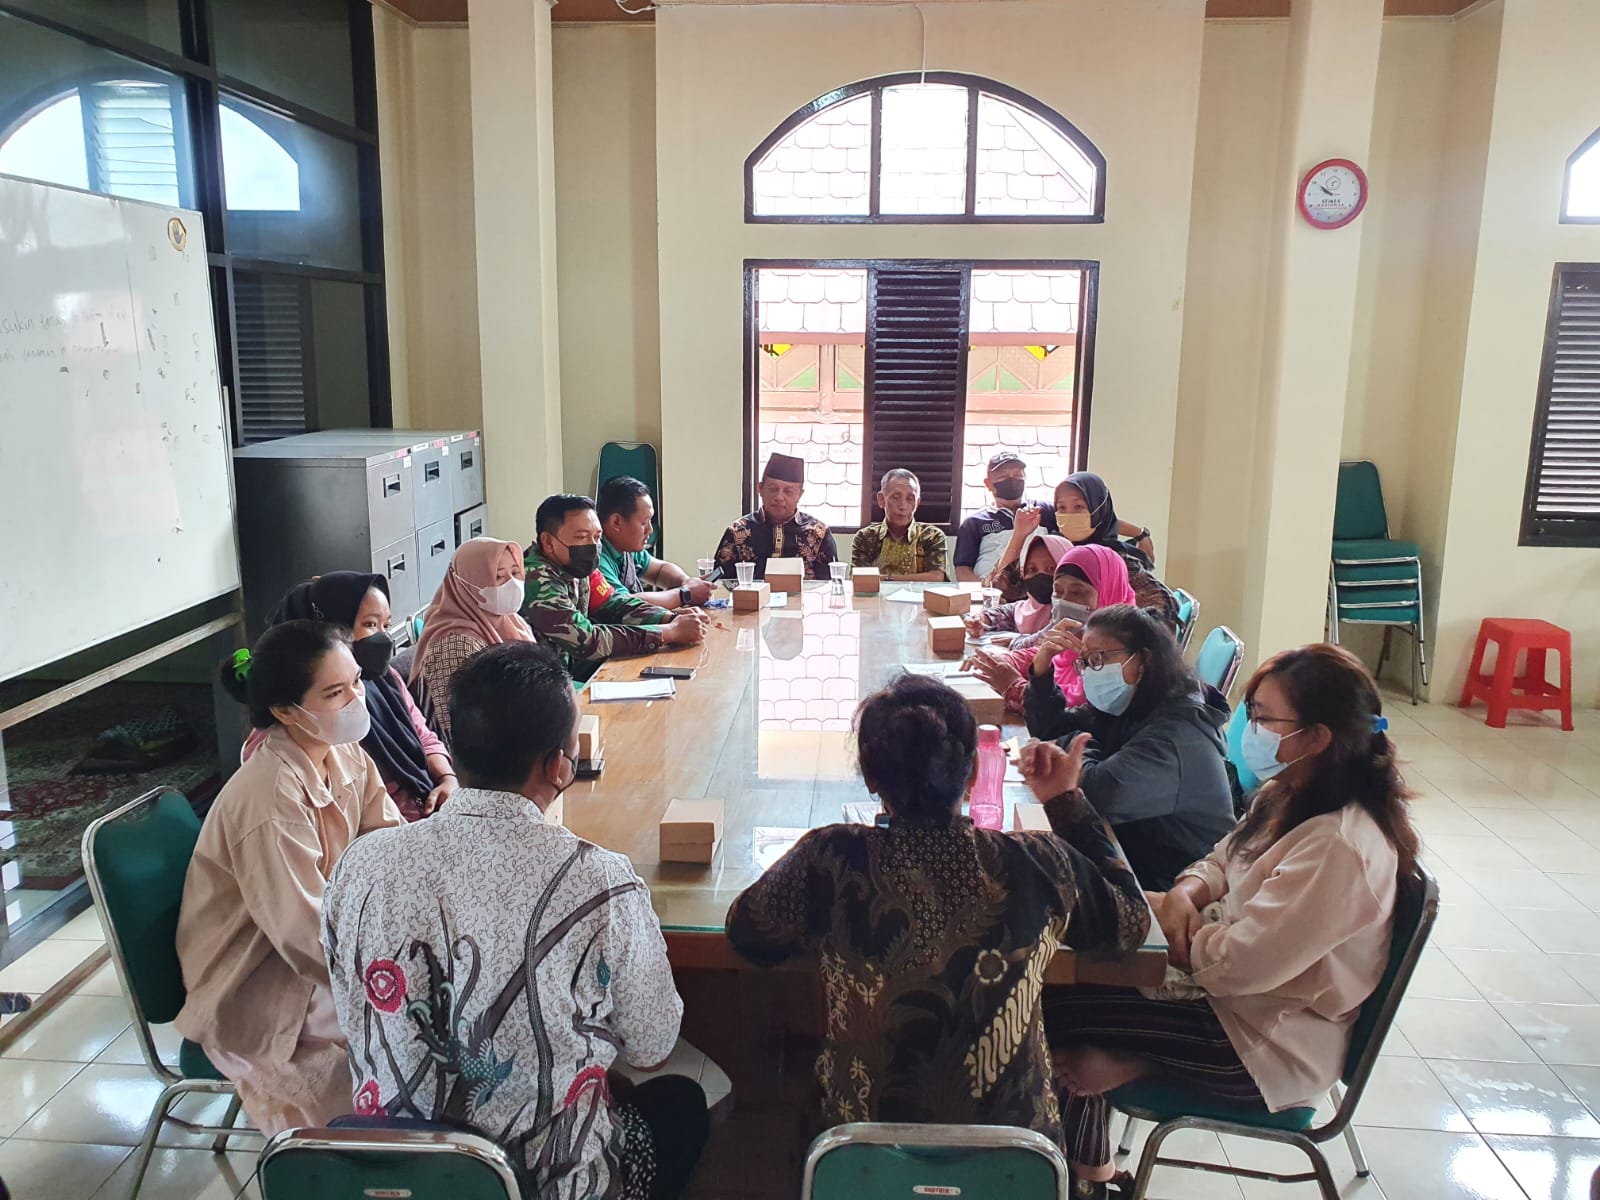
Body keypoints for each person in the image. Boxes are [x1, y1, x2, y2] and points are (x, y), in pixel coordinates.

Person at [322, 641, 707, 1200]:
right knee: (681, 1105)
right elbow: (652, 1043)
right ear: (558, 766)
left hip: (397, 1177)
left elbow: (351, 1006)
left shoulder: (362, 862)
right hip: (541, 1186)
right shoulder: (599, 881)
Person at [1042, 644, 1419, 1199]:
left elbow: (1239, 965)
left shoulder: (1340, 847)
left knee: (1048, 1002)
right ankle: (1095, 1163)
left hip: (1259, 1042)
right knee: (1068, 974)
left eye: (1265, 718)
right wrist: (1186, 893)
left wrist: (1177, 926)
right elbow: (1221, 858)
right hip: (1224, 995)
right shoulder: (1290, 791)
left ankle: (1102, 1139)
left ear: (1317, 737)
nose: (1252, 728)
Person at [724, 674, 1149, 1142]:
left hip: (858, 1152)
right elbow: (1129, 922)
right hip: (1012, 1157)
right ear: (971, 775)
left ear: (869, 777)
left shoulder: (831, 858)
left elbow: (748, 934)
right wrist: (1067, 803)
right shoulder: (1037, 861)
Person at [175, 620, 404, 1135]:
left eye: (355, 683)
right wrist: (389, 969)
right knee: (410, 1018)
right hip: (255, 977)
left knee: (431, 1002)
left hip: (313, 950)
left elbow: (391, 848)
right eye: (333, 692)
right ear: (283, 711)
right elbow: (304, 934)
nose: (354, 700)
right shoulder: (270, 797)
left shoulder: (346, 756)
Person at [1021, 605, 1237, 890]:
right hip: (1134, 852)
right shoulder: (1135, 702)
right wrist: (1042, 671)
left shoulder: (1177, 736)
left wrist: (1076, 745)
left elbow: (1096, 794)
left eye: (1099, 659)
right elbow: (1052, 729)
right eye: (1085, 661)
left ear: (1143, 660)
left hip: (1173, 887)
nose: (1090, 672)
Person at [252, 572, 455, 822]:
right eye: (370, 625)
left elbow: (422, 735)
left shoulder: (384, 679)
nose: (384, 638)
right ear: (334, 628)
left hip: (419, 809)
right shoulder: (292, 734)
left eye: (386, 626)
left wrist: (447, 778)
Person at [524, 493, 708, 681]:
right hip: (540, 688)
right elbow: (587, 640)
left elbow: (614, 605)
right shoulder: (536, 579)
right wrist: (668, 632)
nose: (593, 546)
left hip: (567, 673)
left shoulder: (575, 568)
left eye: (597, 537)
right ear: (548, 542)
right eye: (581, 537)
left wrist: (668, 618)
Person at [964, 543, 1137, 718]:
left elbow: (1068, 718)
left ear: (1109, 592)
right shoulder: (1071, 640)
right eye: (1058, 592)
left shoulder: (1120, 656)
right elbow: (1036, 654)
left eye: (1077, 593)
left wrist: (1014, 686)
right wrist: (998, 662)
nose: (1064, 602)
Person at [411, 537, 534, 745]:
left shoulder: (512, 621)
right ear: (469, 583)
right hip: (475, 760)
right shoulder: (456, 645)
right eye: (499, 577)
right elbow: (462, 731)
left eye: (515, 573)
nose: (512, 584)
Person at [1054, 472, 1177, 631]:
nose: (1069, 515)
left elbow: (1164, 606)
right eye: (1061, 508)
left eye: (1078, 507)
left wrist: (1118, 631)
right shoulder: (1062, 549)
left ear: (1098, 509)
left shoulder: (1114, 560)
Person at [713, 452, 838, 581]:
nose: (779, 497)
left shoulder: (819, 533)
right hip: (751, 601)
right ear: (760, 488)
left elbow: (829, 585)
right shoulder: (737, 531)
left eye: (788, 492)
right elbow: (720, 584)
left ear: (800, 494)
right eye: (773, 489)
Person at [597, 476, 715, 610]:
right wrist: (685, 594)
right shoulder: (596, 559)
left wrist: (686, 582)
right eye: (643, 523)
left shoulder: (624, 547)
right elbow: (624, 604)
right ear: (616, 522)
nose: (650, 530)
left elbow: (659, 570)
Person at [953, 452, 1059, 588]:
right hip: (991, 591)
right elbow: (962, 570)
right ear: (988, 484)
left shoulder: (1044, 511)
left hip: (1038, 589)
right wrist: (984, 591)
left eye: (1017, 475)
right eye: (1003, 476)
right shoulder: (974, 522)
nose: (1011, 480)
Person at [964, 531, 1073, 639]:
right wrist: (979, 620)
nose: (1041, 576)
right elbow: (1005, 613)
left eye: (1051, 568)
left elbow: (1045, 640)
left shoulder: (1074, 612)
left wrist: (1016, 641)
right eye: (1032, 569)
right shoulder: (1026, 609)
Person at [850, 468, 949, 582]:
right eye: (895, 498)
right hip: (876, 599)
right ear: (881, 499)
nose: (903, 506)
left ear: (917, 503)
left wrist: (885, 579)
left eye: (910, 499)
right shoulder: (865, 537)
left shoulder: (932, 536)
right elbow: (858, 579)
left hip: (919, 599)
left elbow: (936, 578)